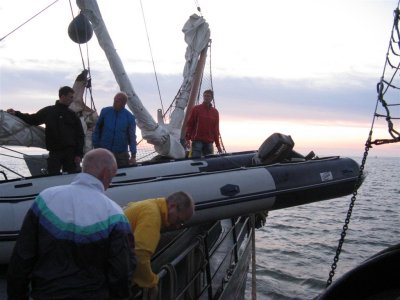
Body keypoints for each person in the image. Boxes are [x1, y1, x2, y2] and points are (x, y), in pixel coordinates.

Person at [7, 148, 136, 300]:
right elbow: (121, 272)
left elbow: (21, 258)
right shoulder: (115, 214)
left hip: (46, 294)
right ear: (105, 174)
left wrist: (17, 296)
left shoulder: (46, 199)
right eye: (112, 177)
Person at [123, 191, 195, 299]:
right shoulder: (153, 216)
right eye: (179, 220)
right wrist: (152, 283)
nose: (178, 226)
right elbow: (140, 255)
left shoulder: (150, 205)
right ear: (172, 206)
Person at [7, 86, 85, 175]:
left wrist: (79, 154)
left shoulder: (72, 115)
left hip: (70, 153)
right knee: (52, 176)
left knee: (70, 178)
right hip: (55, 152)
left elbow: (80, 135)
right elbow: (33, 119)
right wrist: (17, 113)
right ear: (62, 96)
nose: (72, 100)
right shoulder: (49, 111)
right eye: (70, 97)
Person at [92, 92, 137, 168]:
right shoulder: (105, 112)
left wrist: (133, 155)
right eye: (114, 100)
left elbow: (132, 137)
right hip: (104, 151)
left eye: (117, 101)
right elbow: (97, 129)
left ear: (123, 103)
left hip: (121, 154)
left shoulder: (130, 117)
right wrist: (97, 146)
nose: (114, 103)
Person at [185, 89, 222, 158]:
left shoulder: (215, 112)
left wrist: (218, 145)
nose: (206, 97)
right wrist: (187, 139)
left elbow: (216, 129)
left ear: (211, 98)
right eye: (205, 96)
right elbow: (190, 124)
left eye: (208, 96)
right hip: (197, 140)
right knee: (195, 160)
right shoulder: (196, 109)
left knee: (210, 161)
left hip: (209, 141)